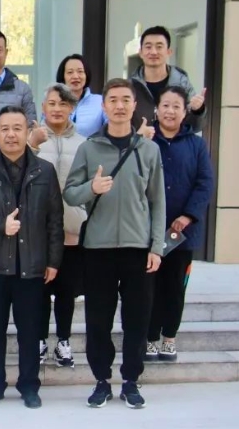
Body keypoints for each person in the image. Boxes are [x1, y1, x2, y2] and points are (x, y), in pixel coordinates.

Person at [64, 78, 166, 410]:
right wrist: (91, 189)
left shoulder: (148, 150)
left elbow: (158, 201)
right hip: (98, 248)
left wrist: (157, 246)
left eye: (125, 100)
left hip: (138, 248)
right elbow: (70, 193)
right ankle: (101, 380)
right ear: (104, 106)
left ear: (134, 106)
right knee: (98, 319)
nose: (119, 106)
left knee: (137, 318)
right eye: (113, 100)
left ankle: (132, 380)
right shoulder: (89, 148)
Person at [0, 106, 63, 409]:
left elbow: (54, 220)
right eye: (4, 128)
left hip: (32, 266)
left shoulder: (45, 170)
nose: (11, 135)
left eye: (17, 128)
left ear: (27, 131)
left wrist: (53, 261)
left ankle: (29, 386)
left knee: (30, 332)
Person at [146, 86, 214, 363]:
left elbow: (205, 183)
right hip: (148, 231)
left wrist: (188, 215)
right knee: (149, 287)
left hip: (181, 232)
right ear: (156, 110)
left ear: (185, 112)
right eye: (166, 105)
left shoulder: (196, 145)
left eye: (176, 106)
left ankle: (169, 338)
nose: (170, 111)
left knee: (175, 288)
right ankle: (150, 338)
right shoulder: (146, 140)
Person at [28, 83, 88, 367]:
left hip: (72, 229)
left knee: (66, 291)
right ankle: (39, 340)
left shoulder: (84, 143)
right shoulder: (33, 138)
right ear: (43, 107)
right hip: (39, 230)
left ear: (71, 108)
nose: (56, 109)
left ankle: (63, 341)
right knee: (40, 290)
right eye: (51, 103)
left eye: (63, 104)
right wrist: (32, 145)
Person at [130, 25, 207, 131]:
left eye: (159, 47)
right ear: (141, 53)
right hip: (141, 141)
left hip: (174, 141)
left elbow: (195, 127)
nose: (153, 52)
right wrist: (138, 137)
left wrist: (198, 111)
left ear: (169, 52)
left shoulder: (182, 83)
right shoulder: (130, 86)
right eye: (148, 47)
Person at [55, 54, 106, 137]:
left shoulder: (100, 102)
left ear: (86, 75)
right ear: (63, 76)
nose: (75, 76)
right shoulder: (53, 103)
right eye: (70, 72)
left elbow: (111, 130)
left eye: (80, 71)